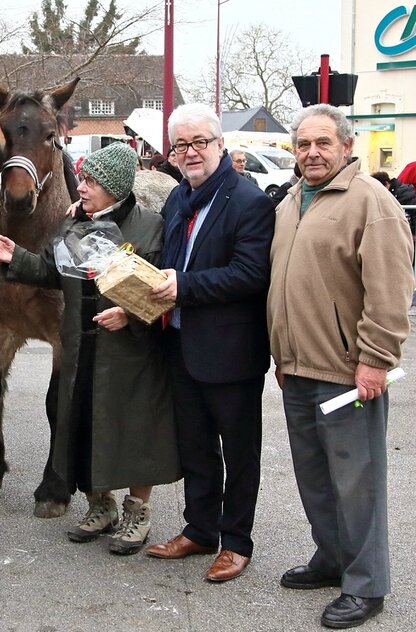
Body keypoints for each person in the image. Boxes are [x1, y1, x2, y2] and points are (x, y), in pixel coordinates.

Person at [0, 142, 180, 555]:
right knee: (88, 423)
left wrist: (129, 314)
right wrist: (14, 256)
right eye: (83, 179)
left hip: (130, 352)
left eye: (90, 181)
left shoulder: (150, 227)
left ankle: (137, 512)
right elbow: (53, 274)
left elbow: (160, 291)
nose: (82, 188)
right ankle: (100, 505)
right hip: (81, 344)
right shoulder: (73, 226)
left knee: (133, 429)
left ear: (115, 187)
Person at [268, 104, 413, 629]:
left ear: (346, 146)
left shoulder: (370, 202)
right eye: (303, 144)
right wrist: (281, 354)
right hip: (297, 367)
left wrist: (375, 360)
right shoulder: (290, 203)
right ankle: (331, 559)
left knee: (358, 482)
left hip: (349, 371)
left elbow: (391, 291)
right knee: (315, 477)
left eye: (323, 143)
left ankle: (367, 584)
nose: (311, 153)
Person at [145, 103, 275, 582]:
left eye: (200, 142)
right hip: (180, 345)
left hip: (231, 353)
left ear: (220, 145)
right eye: (182, 144)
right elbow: (164, 261)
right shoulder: (178, 198)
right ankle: (200, 530)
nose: (191, 152)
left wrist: (183, 287)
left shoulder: (248, 201)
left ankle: (236, 542)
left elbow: (250, 274)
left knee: (240, 454)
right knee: (196, 448)